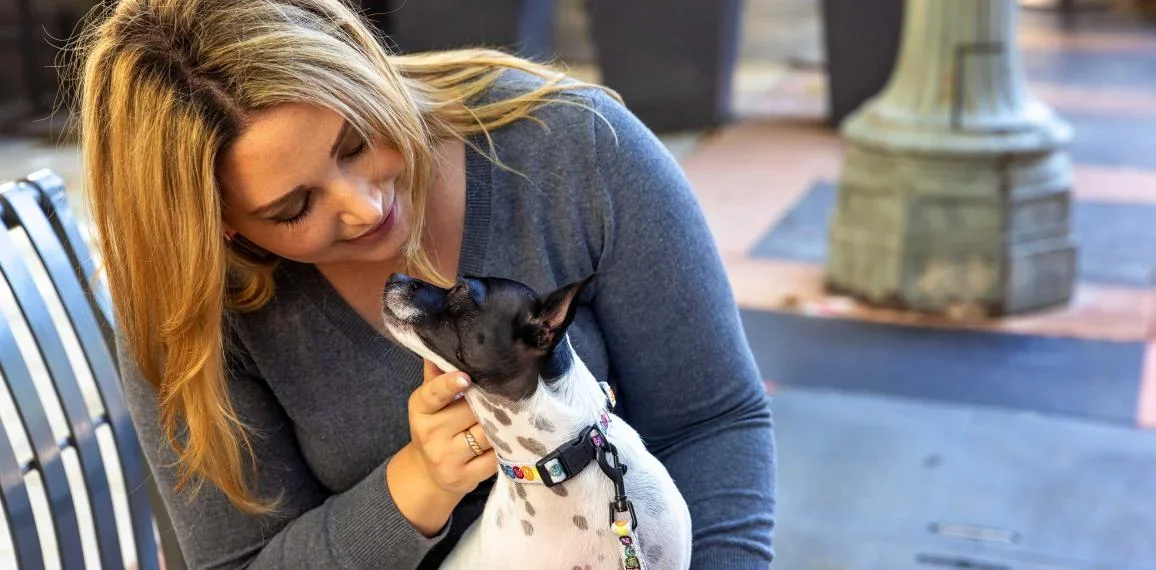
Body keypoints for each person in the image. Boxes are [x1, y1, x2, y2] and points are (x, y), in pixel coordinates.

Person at [74, 0, 777, 567]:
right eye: (294, 208)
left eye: (355, 141)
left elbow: (713, 421)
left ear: (364, 62)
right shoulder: (193, 319)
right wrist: (417, 484)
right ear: (221, 226)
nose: (365, 207)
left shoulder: (571, 147)